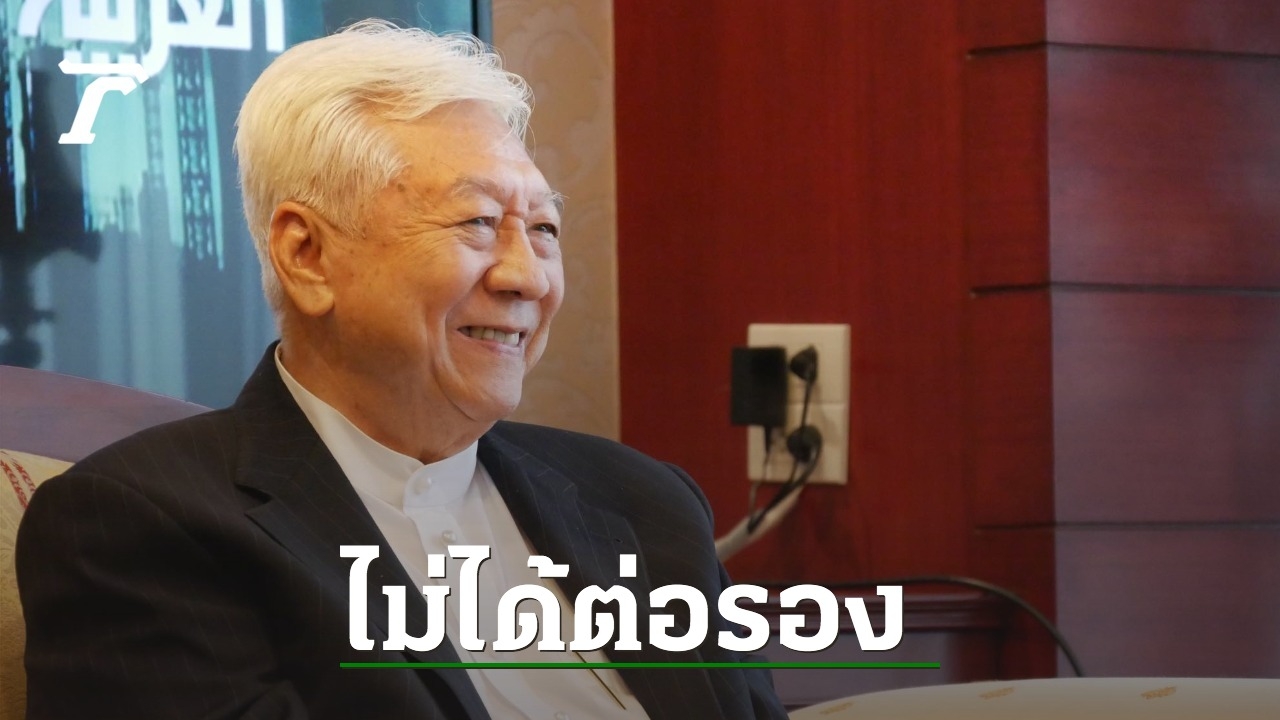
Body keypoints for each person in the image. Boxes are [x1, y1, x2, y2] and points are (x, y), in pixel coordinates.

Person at [16, 20, 787, 720]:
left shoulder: (642, 500)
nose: (527, 276)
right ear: (306, 256)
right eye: (478, 221)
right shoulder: (142, 524)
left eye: (544, 228)